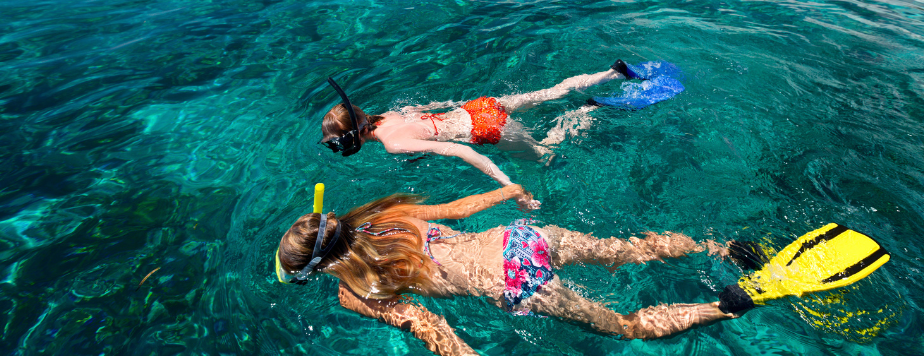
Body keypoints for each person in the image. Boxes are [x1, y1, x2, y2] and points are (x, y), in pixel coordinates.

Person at [275, 184, 748, 356]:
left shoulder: (354, 292)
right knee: (624, 251)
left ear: (319, 269)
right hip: (518, 238)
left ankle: (723, 306)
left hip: (516, 282)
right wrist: (509, 190)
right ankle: (720, 247)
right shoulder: (385, 220)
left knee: (627, 327)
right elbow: (459, 210)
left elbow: (428, 324)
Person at [320, 62, 635, 205]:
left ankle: (588, 111)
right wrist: (458, 105)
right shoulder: (387, 115)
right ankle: (611, 73)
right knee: (549, 93)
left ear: (355, 136)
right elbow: (433, 107)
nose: (340, 147)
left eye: (340, 143)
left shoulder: (393, 143)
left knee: (544, 153)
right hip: (479, 107)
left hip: (485, 129)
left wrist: (508, 186)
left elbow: (461, 151)